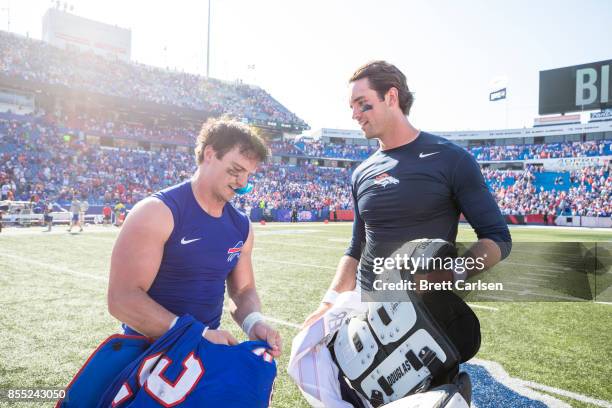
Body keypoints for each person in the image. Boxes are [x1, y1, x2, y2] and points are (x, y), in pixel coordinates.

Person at [302, 60, 511, 382]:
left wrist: (444, 274)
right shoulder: (361, 172)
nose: (355, 114)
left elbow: (497, 239)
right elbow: (357, 246)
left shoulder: (451, 159)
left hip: (426, 322)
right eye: (351, 106)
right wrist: (328, 303)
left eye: (362, 103)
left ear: (391, 96)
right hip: (369, 319)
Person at [107, 119, 282, 358]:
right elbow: (122, 299)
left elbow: (243, 291)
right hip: (147, 354)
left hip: (203, 354)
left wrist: (254, 322)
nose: (243, 183)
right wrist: (195, 334)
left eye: (248, 175)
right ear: (209, 154)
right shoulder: (156, 212)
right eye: (236, 170)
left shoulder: (241, 225)